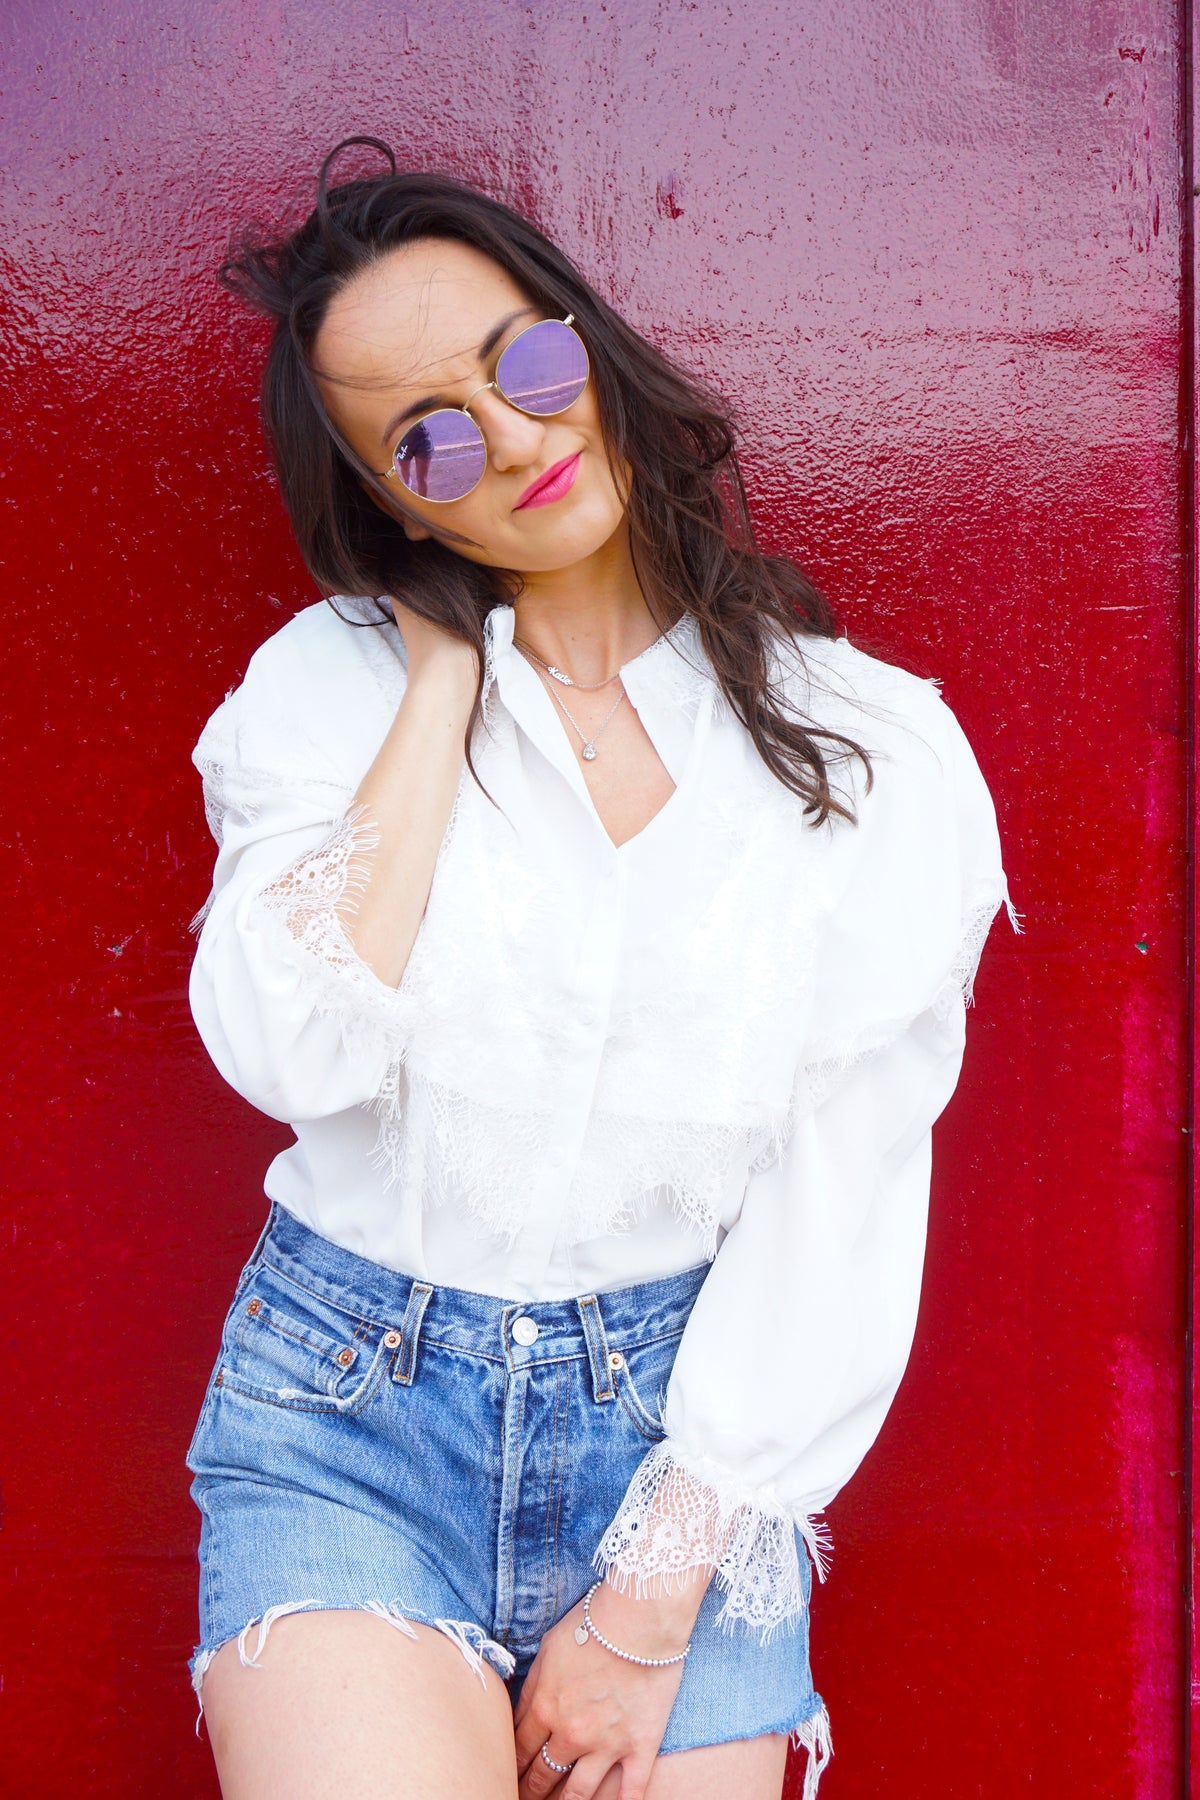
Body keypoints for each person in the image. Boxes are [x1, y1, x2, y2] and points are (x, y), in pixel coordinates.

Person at [183, 135, 1016, 1800]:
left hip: (679, 1452)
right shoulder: (328, 695)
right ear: (386, 498)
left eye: (525, 363)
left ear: (589, 339)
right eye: (429, 438)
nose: (507, 439)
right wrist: (438, 680)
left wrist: (650, 1603)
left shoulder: (872, 749)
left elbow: (839, 1197)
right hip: (351, 1416)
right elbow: (298, 1051)